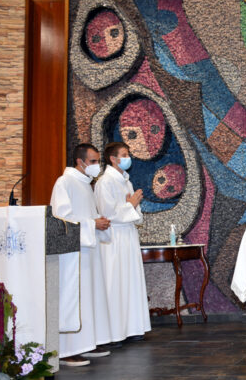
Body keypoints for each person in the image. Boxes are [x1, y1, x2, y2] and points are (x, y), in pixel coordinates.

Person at [50, 143, 113, 366]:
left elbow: (88, 215)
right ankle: (67, 350)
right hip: (72, 254)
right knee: (73, 299)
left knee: (88, 298)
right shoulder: (65, 182)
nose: (97, 166)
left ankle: (86, 344)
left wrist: (99, 224)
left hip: (87, 250)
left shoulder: (85, 184)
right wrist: (91, 224)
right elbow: (61, 218)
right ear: (80, 161)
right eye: (94, 161)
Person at [94, 142, 152, 344]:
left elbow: (134, 214)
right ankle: (114, 333)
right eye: (125, 154)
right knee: (115, 284)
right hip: (114, 239)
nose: (129, 158)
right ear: (113, 158)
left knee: (130, 283)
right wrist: (131, 205)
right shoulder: (105, 182)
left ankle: (132, 328)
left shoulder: (125, 181)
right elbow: (107, 214)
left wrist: (133, 207)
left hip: (128, 237)